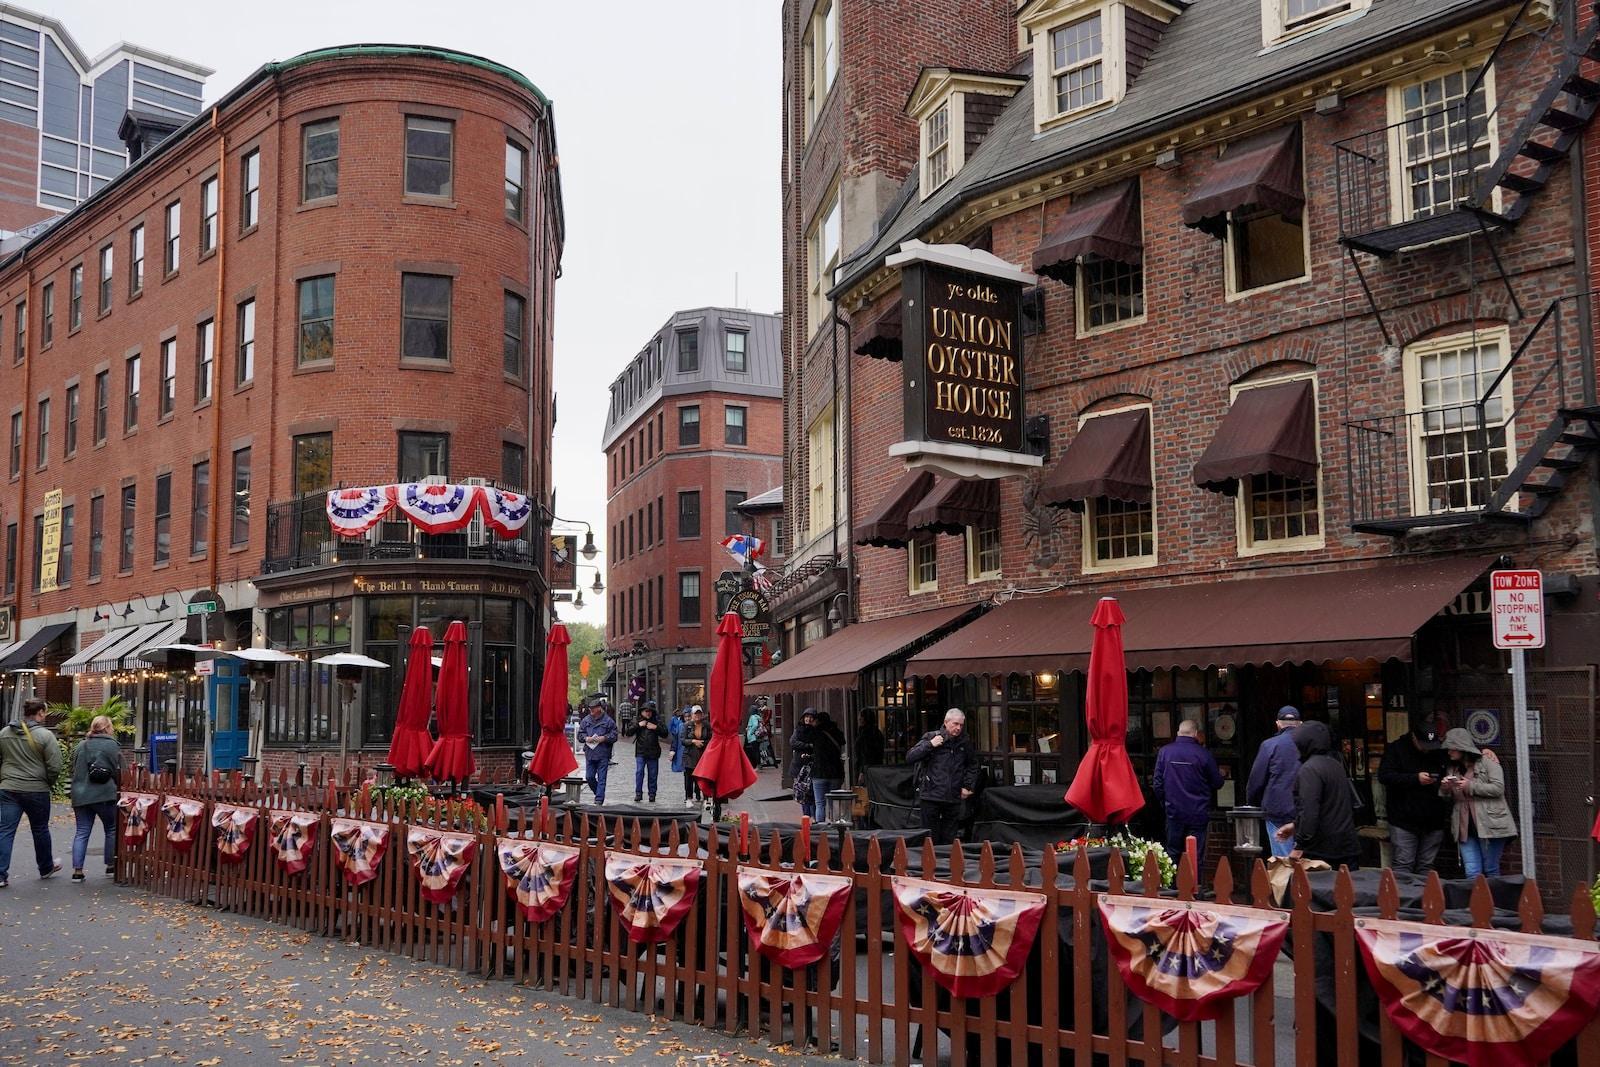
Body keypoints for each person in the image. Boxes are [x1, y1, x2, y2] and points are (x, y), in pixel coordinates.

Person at [1278, 720, 1361, 869]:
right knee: (1347, 890)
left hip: (1322, 849)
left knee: (1315, 891)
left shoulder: (1309, 770)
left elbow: (1309, 810)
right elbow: (1330, 807)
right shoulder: (1335, 765)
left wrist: (1300, 845)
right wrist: (1295, 826)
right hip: (1346, 845)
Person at [1438, 727, 1518, 879]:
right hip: (1464, 824)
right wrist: (1446, 788)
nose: (1449, 752)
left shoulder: (1487, 762)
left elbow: (1498, 788)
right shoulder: (1452, 767)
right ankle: (1476, 902)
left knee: (1490, 868)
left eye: (1452, 749)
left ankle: (1493, 902)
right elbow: (1448, 797)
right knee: (1472, 871)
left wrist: (1470, 786)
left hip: (1490, 823)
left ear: (1462, 748)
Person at [0, 698, 64, 887]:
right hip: (36, 789)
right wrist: (48, 782)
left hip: (9, 788)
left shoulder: (4, 733)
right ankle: (45, 867)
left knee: (5, 831)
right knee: (40, 828)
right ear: (41, 713)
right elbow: (55, 765)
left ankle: (1, 874)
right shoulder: (45, 736)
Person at [1376, 716, 1452, 875]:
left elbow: (1461, 758)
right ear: (1414, 737)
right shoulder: (1396, 750)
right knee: (1404, 864)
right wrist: (1414, 779)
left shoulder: (1439, 751)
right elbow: (1384, 776)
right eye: (1423, 745)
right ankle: (1405, 899)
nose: (1427, 749)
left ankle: (1427, 899)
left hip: (1433, 819)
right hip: (1404, 819)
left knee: (1426, 867)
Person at [1152, 719, 1224, 869]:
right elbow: (1218, 783)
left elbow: (1157, 784)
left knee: (1172, 853)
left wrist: (1165, 803)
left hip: (1173, 811)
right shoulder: (1203, 754)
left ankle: (1172, 889)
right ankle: (1194, 888)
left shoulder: (1165, 752)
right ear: (1196, 734)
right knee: (1195, 856)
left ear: (1178, 732)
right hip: (1198, 812)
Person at [906, 708, 980, 846]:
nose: (958, 728)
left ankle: (946, 864)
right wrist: (930, 745)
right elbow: (910, 757)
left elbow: (973, 765)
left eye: (961, 725)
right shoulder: (932, 737)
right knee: (929, 837)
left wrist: (968, 785)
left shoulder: (964, 742)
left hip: (953, 796)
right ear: (946, 722)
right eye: (955, 724)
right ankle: (930, 864)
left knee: (949, 837)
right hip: (931, 795)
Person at [70, 714, 122, 882]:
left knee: (82, 832)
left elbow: (74, 768)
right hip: (105, 795)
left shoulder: (81, 746)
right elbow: (121, 771)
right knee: (111, 828)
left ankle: (77, 871)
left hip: (81, 794)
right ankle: (110, 866)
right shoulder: (113, 746)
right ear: (107, 728)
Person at [1245, 706, 1303, 859]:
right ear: (1300, 724)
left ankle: (1287, 883)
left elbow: (1256, 781)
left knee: (1283, 862)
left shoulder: (1269, 745)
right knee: (1306, 860)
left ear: (1277, 724)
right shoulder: (1308, 745)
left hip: (1278, 809)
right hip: (1306, 810)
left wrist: (1253, 803)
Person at [579, 700, 618, 806]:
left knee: (602, 778)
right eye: (590, 708)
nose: (591, 710)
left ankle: (599, 799)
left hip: (603, 753)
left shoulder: (608, 721)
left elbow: (614, 735)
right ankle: (598, 793)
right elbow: (580, 735)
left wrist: (604, 738)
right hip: (590, 753)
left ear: (599, 708)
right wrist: (586, 738)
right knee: (589, 777)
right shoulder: (586, 720)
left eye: (593, 708)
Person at [809, 711, 846, 816]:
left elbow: (804, 738)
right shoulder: (837, 732)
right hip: (835, 772)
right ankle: (836, 826)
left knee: (820, 803)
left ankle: (821, 827)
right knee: (834, 802)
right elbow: (842, 744)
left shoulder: (815, 733)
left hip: (819, 772)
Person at [790, 708, 819, 819]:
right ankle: (806, 817)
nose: (808, 719)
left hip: (813, 766)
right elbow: (793, 742)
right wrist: (808, 746)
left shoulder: (817, 732)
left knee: (812, 793)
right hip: (799, 766)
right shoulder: (798, 730)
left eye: (811, 717)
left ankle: (813, 817)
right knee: (802, 793)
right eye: (807, 717)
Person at [632, 703, 663, 804]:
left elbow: (665, 733)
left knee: (653, 774)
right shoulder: (637, 720)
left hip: (653, 752)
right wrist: (638, 725)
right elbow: (628, 732)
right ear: (642, 712)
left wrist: (656, 727)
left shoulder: (657, 721)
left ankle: (652, 794)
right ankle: (638, 793)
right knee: (639, 772)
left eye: (649, 711)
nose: (648, 713)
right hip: (640, 752)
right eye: (646, 711)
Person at [681, 706, 711, 808]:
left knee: (704, 778)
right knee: (689, 778)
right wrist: (693, 741)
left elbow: (711, 739)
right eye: (695, 714)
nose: (697, 716)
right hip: (689, 756)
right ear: (692, 715)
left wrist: (703, 743)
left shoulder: (706, 725)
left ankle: (706, 799)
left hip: (703, 756)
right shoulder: (687, 725)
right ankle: (688, 798)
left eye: (699, 714)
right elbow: (683, 740)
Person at [854, 713, 885, 783]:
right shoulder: (877, 732)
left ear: (865, 720)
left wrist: (862, 771)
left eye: (860, 719)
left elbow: (866, 754)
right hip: (876, 766)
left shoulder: (865, 734)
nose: (858, 721)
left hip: (867, 768)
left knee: (866, 790)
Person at [744, 703, 765, 770]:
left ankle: (757, 765)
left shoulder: (753, 717)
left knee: (754, 751)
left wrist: (750, 732)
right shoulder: (758, 717)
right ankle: (759, 764)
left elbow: (755, 725)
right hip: (758, 736)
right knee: (757, 750)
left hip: (753, 737)